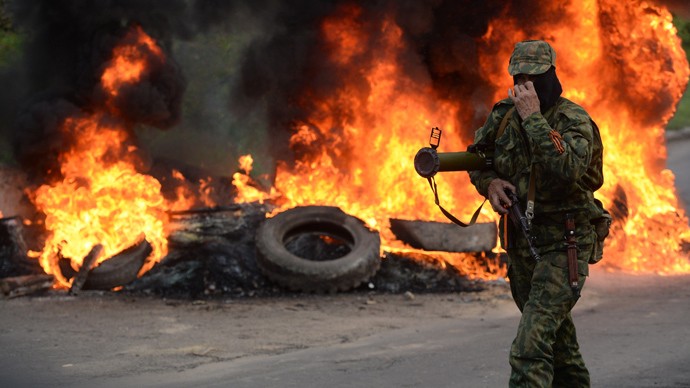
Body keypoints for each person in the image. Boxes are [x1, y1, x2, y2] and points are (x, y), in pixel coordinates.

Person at [468, 40, 603, 387]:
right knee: (559, 346)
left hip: (565, 243)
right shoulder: (502, 115)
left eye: (535, 77)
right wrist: (490, 183)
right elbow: (477, 159)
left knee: (530, 344)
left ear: (551, 75)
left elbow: (570, 167)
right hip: (522, 244)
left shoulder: (573, 119)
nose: (526, 85)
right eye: (519, 77)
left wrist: (534, 119)